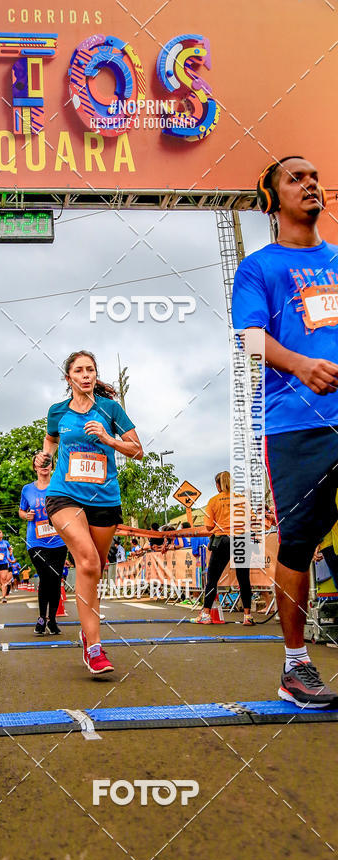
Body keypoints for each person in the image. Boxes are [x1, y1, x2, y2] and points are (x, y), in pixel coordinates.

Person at [232, 155, 338, 707]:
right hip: (295, 422)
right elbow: (248, 339)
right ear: (272, 200)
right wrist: (300, 365)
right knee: (299, 540)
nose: (310, 184)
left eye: (314, 176)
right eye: (295, 178)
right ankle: (296, 665)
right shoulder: (259, 269)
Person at [35, 350, 143, 675]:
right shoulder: (57, 412)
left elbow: (137, 450)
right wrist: (45, 457)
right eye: (79, 370)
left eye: (91, 370)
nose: (85, 375)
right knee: (88, 562)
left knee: (94, 571)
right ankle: (95, 648)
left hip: (104, 499)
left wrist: (108, 439)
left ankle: (87, 629)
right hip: (64, 495)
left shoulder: (110, 408)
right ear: (68, 378)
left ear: (96, 375)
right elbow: (50, 439)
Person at [191, 472, 254, 626]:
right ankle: (247, 616)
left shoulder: (213, 501)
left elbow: (209, 526)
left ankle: (206, 614)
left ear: (218, 485)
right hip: (241, 539)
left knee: (212, 579)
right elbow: (251, 519)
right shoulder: (242, 499)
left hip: (223, 539)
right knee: (244, 578)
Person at [19, 452, 68, 635]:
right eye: (41, 464)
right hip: (36, 542)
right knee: (46, 577)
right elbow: (21, 511)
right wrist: (26, 515)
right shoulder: (27, 490)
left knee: (55, 581)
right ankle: (41, 618)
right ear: (35, 468)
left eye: (48, 463)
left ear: (51, 466)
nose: (44, 466)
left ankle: (52, 620)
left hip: (58, 541)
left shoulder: (59, 486)